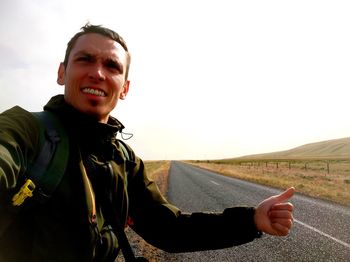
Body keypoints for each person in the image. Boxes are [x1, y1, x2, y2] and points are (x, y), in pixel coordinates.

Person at [0, 23, 295, 262]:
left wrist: (252, 220)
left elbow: (169, 230)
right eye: (84, 59)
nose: (98, 73)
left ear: (124, 88)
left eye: (112, 66)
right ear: (62, 72)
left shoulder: (124, 161)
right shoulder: (25, 129)